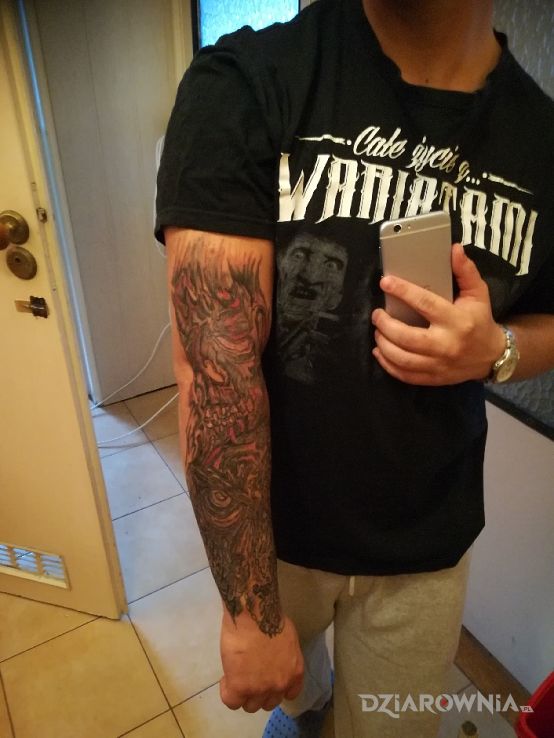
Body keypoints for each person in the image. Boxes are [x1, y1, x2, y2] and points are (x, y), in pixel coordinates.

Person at [155, 1, 554, 736]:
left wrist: (498, 348)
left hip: (426, 541)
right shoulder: (247, 81)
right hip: (275, 534)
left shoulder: (542, 141)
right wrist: (248, 615)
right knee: (299, 703)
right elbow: (216, 374)